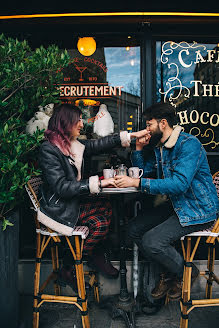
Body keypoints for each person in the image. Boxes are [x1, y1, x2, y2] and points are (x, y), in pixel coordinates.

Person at [114, 102, 219, 300]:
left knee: (152, 241)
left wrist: (136, 182)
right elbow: (148, 171)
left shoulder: (189, 144)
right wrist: (138, 148)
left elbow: (179, 184)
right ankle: (169, 272)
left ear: (163, 123)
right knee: (134, 229)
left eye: (149, 124)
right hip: (178, 206)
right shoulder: (162, 147)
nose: (146, 129)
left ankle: (186, 272)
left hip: (197, 210)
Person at [38, 103, 147, 286]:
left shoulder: (70, 144)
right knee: (101, 222)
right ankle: (72, 264)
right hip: (58, 210)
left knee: (105, 204)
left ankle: (93, 252)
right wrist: (98, 182)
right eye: (78, 120)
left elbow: (98, 144)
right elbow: (62, 188)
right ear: (66, 123)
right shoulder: (49, 149)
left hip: (69, 203)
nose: (82, 124)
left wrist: (130, 136)